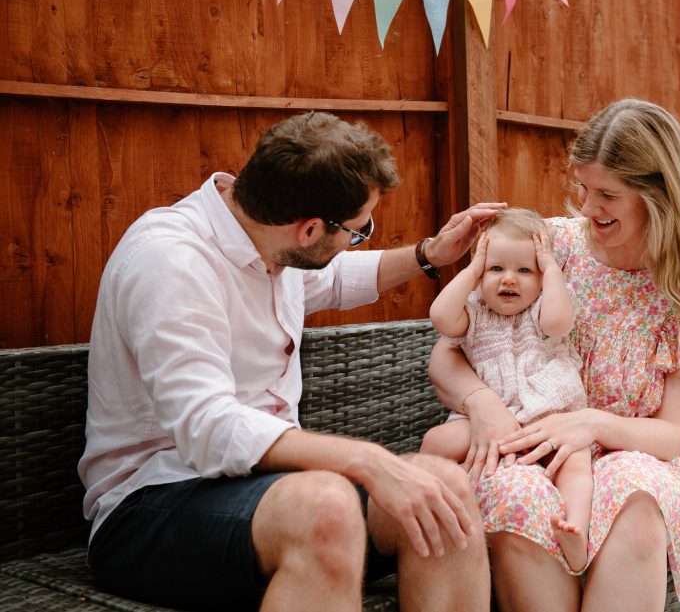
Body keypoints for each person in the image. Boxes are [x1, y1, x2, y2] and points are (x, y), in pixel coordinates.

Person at [78, 111, 504, 612]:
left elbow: (335, 277)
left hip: (268, 492)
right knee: (326, 507)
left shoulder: (266, 240)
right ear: (307, 231)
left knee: (446, 488)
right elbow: (207, 428)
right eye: (358, 229)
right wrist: (368, 460)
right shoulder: (172, 261)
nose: (360, 236)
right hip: (150, 504)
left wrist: (429, 254)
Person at [429, 99, 680, 612]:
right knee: (516, 493)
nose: (586, 207)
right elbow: (449, 355)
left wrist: (590, 424)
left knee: (638, 498)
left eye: (608, 194)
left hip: (631, 452)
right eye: (582, 187)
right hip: (528, 442)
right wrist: (481, 403)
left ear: (659, 197)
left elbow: (673, 433)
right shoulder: (547, 249)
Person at [420, 208, 592, 572]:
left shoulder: (543, 308)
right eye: (496, 269)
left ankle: (576, 526)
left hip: (547, 417)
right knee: (437, 441)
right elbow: (439, 317)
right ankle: (430, 512)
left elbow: (560, 323)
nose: (509, 279)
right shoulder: (474, 311)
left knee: (575, 463)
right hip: (489, 420)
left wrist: (552, 270)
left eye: (524, 270)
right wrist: (471, 271)